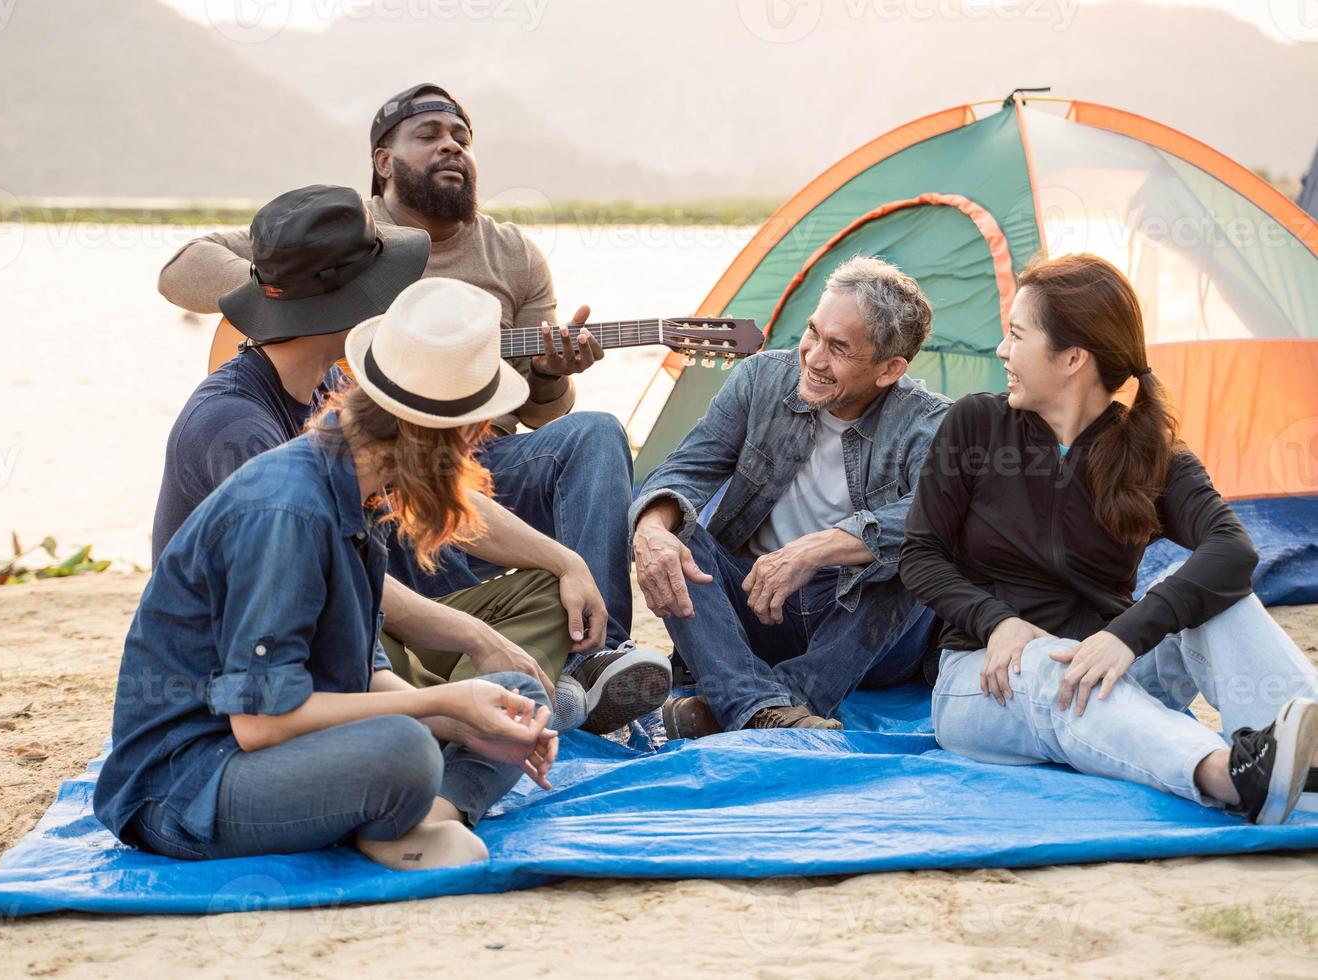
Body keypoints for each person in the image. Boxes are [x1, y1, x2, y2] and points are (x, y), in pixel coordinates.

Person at [157, 84, 668, 732]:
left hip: (457, 470)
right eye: (428, 134)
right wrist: (286, 302)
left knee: (593, 435)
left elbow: (546, 415)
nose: (451, 145)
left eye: (461, 135)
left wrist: (545, 376)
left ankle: (591, 660)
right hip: (370, 496)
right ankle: (471, 697)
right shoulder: (333, 239)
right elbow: (179, 268)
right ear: (383, 161)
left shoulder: (511, 254)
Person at [95, 276, 568, 869]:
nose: (476, 450)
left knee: (515, 699)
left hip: (286, 748)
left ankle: (425, 819)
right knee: (407, 749)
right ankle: (400, 810)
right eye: (475, 432)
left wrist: (469, 715)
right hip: (190, 787)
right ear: (439, 436)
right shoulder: (287, 510)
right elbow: (260, 725)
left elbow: (357, 672)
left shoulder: (354, 487)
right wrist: (446, 701)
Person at [901, 253, 1318, 825]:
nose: (1002, 351)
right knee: (1043, 659)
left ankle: (1311, 763)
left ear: (1072, 357)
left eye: (1017, 336)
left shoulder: (1149, 451)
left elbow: (1234, 551)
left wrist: (1125, 636)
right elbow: (920, 555)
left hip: (1108, 673)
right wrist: (995, 620)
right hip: (985, 681)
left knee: (1214, 595)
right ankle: (1227, 776)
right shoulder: (975, 425)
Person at [630, 257, 948, 738]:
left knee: (917, 556)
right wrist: (652, 528)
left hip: (863, 635)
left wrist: (816, 548)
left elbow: (938, 517)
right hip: (758, 609)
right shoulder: (760, 379)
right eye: (813, 333)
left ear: (889, 370)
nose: (815, 358)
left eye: (839, 348)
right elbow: (687, 468)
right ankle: (758, 705)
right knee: (677, 536)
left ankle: (756, 703)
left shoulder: (931, 423)